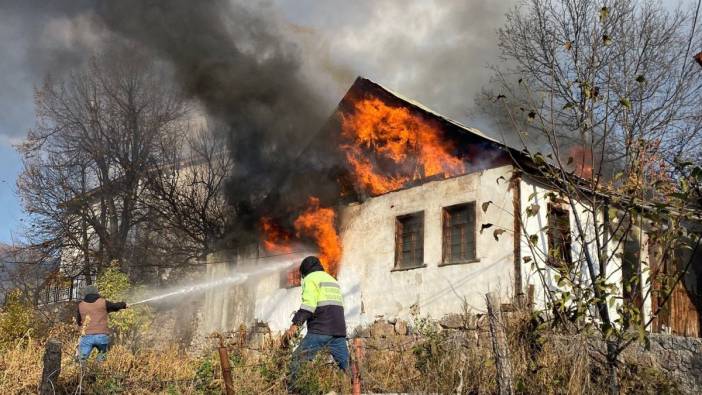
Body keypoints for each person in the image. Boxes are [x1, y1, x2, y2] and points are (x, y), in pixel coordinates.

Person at [285, 256, 348, 389]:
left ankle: (294, 390)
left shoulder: (311, 279)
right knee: (347, 366)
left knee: (297, 359)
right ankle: (359, 389)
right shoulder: (332, 279)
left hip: (321, 329)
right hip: (338, 330)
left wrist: (294, 325)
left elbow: (309, 305)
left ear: (305, 271)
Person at [75, 285, 128, 362]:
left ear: (85, 293)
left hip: (86, 336)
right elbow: (115, 306)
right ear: (96, 292)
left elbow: (79, 322)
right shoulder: (103, 302)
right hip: (101, 336)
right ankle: (98, 369)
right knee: (101, 358)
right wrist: (124, 305)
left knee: (81, 360)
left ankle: (82, 372)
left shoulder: (81, 305)